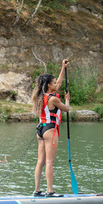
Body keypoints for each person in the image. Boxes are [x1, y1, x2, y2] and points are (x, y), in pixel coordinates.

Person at [31, 59, 71, 197]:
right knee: (49, 162)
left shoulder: (41, 97)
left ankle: (37, 190)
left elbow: (59, 83)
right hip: (49, 130)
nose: (56, 84)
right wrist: (67, 99)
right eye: (53, 83)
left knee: (40, 162)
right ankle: (50, 191)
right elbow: (66, 109)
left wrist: (62, 68)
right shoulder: (53, 99)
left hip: (40, 130)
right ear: (48, 85)